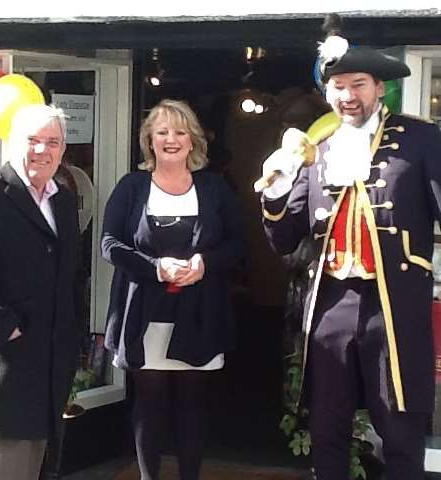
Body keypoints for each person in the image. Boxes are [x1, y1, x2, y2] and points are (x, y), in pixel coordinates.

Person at [260, 17, 441, 480]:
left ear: (379, 87)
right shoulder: (317, 152)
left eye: (358, 84)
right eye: (338, 86)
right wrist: (276, 189)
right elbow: (284, 237)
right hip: (333, 304)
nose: (348, 96)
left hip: (394, 304)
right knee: (328, 428)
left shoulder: (419, 139)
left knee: (399, 431)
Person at [101, 99, 244, 480]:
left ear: (193, 139)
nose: (171, 139)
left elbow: (237, 245)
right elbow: (110, 244)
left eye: (180, 131)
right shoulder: (132, 187)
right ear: (149, 139)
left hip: (198, 316)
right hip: (144, 316)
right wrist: (156, 268)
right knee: (149, 404)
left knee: (193, 405)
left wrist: (204, 264)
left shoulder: (213, 188)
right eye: (162, 131)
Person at [0, 104, 83, 480]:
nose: (42, 151)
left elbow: (72, 273)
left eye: (52, 142)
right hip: (8, 367)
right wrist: (7, 330)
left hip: (52, 368)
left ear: (62, 150)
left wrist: (73, 334)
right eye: (33, 141)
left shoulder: (64, 200)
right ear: (12, 143)